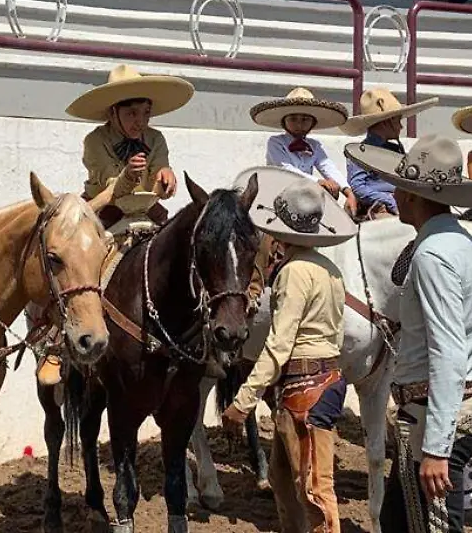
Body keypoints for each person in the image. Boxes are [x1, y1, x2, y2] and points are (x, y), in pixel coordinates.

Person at [344, 134, 472, 533]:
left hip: (433, 417)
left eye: (400, 187)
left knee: (432, 525)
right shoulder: (468, 246)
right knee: (403, 522)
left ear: (413, 195)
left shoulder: (433, 255)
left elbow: (449, 352)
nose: (393, 194)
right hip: (444, 411)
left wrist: (436, 447)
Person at [28, 64, 194, 386]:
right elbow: (107, 186)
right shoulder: (95, 141)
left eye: (145, 113)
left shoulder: (156, 138)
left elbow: (161, 167)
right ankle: (55, 344)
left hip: (148, 213)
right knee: (79, 274)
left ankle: (193, 344)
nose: (140, 121)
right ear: (113, 112)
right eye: (132, 113)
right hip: (103, 215)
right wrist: (127, 177)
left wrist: (166, 176)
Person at [222, 169, 358, 533]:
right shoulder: (328, 269)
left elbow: (279, 343)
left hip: (304, 391)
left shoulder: (292, 272)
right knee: (285, 480)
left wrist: (244, 400)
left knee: (314, 490)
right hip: (319, 380)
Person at [252, 87, 357, 217]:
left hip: (305, 200)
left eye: (305, 119)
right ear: (284, 121)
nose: (299, 124)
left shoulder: (315, 146)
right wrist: (318, 182)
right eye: (293, 119)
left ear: (313, 123)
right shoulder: (275, 143)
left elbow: (328, 167)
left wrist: (348, 192)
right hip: (278, 199)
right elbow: (286, 170)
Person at [340, 87, 438, 219]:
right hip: (376, 206)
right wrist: (390, 201)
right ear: (387, 122)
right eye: (397, 121)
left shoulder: (396, 150)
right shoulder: (359, 152)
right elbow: (358, 187)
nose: (401, 127)